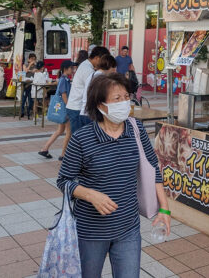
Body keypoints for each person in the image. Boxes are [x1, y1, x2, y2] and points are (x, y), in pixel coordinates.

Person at [57, 73, 171, 278]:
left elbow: (153, 167)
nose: (125, 103)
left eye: (127, 97)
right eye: (117, 99)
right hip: (91, 231)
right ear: (100, 105)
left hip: (128, 228)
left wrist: (164, 208)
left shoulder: (136, 130)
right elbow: (63, 181)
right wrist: (91, 195)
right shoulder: (82, 139)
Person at [66, 46, 110, 135]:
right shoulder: (88, 70)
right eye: (104, 60)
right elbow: (94, 90)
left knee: (77, 137)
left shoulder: (86, 65)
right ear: (97, 58)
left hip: (76, 107)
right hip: (77, 108)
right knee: (79, 139)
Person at [38, 60, 76, 160]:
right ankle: (63, 154)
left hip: (63, 109)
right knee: (69, 132)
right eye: (71, 68)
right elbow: (63, 94)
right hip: (65, 109)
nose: (72, 70)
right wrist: (69, 107)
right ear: (66, 69)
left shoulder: (63, 79)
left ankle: (45, 149)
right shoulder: (64, 80)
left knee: (60, 130)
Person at [80, 54, 117, 122]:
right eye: (113, 67)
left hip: (85, 112)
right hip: (91, 115)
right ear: (108, 65)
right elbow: (101, 97)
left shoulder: (94, 74)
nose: (114, 70)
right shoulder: (100, 78)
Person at [20, 53, 37, 119]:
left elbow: (38, 71)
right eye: (32, 59)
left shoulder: (36, 66)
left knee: (31, 99)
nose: (33, 60)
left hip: (32, 85)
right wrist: (30, 65)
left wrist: (35, 70)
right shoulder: (25, 65)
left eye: (34, 59)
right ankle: (21, 112)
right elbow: (25, 71)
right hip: (26, 84)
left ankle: (29, 111)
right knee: (23, 98)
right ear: (29, 59)